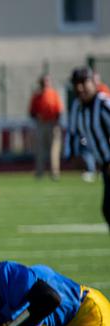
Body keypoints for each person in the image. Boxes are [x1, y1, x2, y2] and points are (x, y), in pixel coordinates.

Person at [64, 66, 110, 231]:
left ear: (93, 82)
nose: (80, 88)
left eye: (84, 83)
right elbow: (73, 131)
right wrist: (72, 154)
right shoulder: (78, 107)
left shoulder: (103, 104)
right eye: (77, 84)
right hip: (105, 167)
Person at [27, 75, 63, 181]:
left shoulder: (54, 94)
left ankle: (55, 173)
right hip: (41, 124)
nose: (46, 84)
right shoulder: (37, 95)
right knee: (40, 150)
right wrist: (37, 117)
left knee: (54, 150)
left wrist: (57, 122)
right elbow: (31, 111)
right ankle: (39, 172)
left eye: (47, 81)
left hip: (53, 124)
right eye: (44, 82)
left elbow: (59, 110)